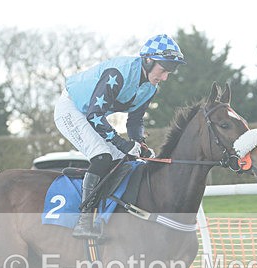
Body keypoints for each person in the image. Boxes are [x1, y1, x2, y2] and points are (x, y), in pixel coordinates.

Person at [54, 34, 186, 239]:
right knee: (102, 157)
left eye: (170, 72)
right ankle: (83, 221)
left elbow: (135, 122)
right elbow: (94, 114)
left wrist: (139, 144)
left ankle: (105, 216)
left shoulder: (151, 88)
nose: (165, 77)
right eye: (163, 70)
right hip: (71, 109)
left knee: (124, 160)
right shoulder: (119, 73)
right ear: (148, 60)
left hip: (91, 114)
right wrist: (122, 143)